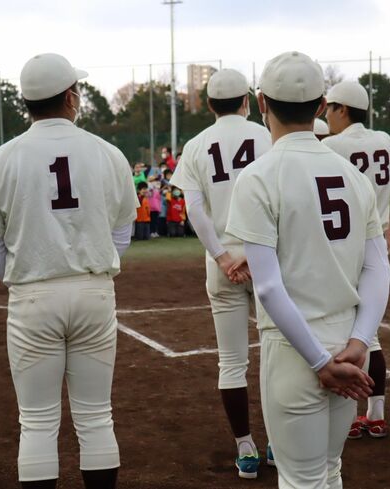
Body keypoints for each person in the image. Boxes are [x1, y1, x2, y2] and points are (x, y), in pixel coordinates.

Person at [0, 53, 138, 489]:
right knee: (96, 417)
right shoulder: (107, 153)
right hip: (95, 291)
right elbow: (122, 233)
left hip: (32, 295)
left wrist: (21, 277)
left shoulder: (0, 158)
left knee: (37, 422)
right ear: (71, 97)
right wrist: (95, 274)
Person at [226, 51, 390, 489]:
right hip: (346, 343)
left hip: (295, 348)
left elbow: (268, 287)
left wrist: (319, 361)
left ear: (262, 103)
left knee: (300, 479)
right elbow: (379, 270)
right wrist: (359, 342)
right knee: (329, 471)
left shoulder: (260, 176)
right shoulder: (352, 175)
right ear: (320, 106)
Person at [170, 68, 273, 478]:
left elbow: (195, 210)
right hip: (267, 257)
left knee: (231, 363)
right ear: (247, 101)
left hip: (223, 264)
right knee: (279, 354)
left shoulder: (196, 145)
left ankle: (245, 448)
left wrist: (221, 257)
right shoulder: (268, 138)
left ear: (210, 105)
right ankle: (279, 445)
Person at [322, 80, 390, 439]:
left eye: (330, 108)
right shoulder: (386, 140)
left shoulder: (333, 144)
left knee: (350, 332)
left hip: (347, 241)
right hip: (377, 237)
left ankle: (353, 413)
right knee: (372, 332)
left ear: (343, 109)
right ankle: (376, 413)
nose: (327, 115)